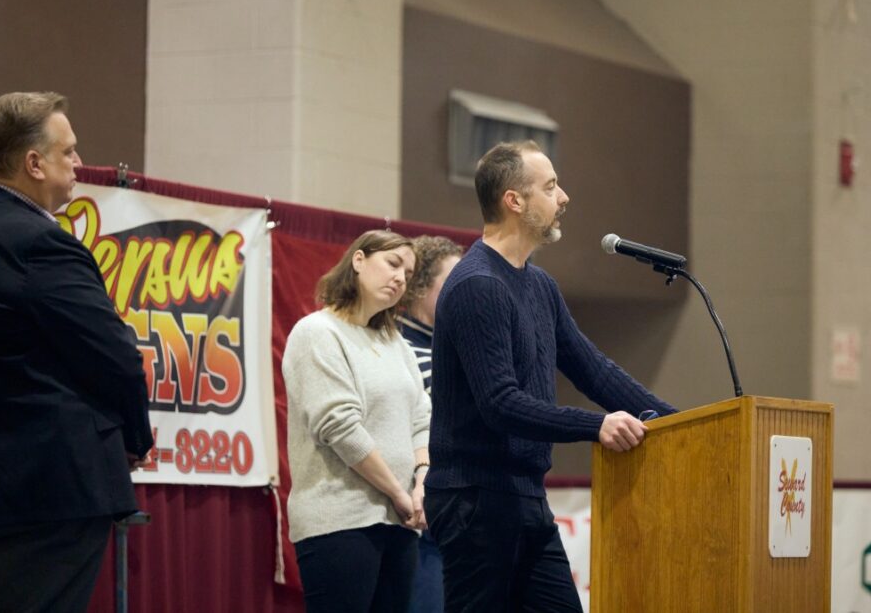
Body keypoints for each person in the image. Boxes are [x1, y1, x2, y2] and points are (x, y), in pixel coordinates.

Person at [425, 140, 678, 612]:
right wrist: (596, 426)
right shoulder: (478, 285)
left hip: (523, 496)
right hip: (475, 500)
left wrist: (678, 422)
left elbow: (593, 369)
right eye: (550, 186)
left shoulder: (539, 285)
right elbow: (500, 403)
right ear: (514, 201)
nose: (564, 198)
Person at [0, 92, 154, 612]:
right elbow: (115, 355)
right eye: (68, 151)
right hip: (50, 490)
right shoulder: (38, 243)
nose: (79, 163)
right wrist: (136, 438)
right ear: (33, 163)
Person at [283, 230, 432, 613]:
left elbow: (421, 419)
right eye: (393, 264)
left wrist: (421, 483)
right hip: (339, 520)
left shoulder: (396, 344)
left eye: (408, 274)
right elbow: (340, 427)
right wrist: (398, 493)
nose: (400, 278)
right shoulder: (317, 332)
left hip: (400, 521)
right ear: (359, 260)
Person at [397, 235, 463, 613]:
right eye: (451, 283)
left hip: (460, 517)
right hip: (421, 516)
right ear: (419, 288)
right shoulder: (397, 350)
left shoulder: (455, 349)